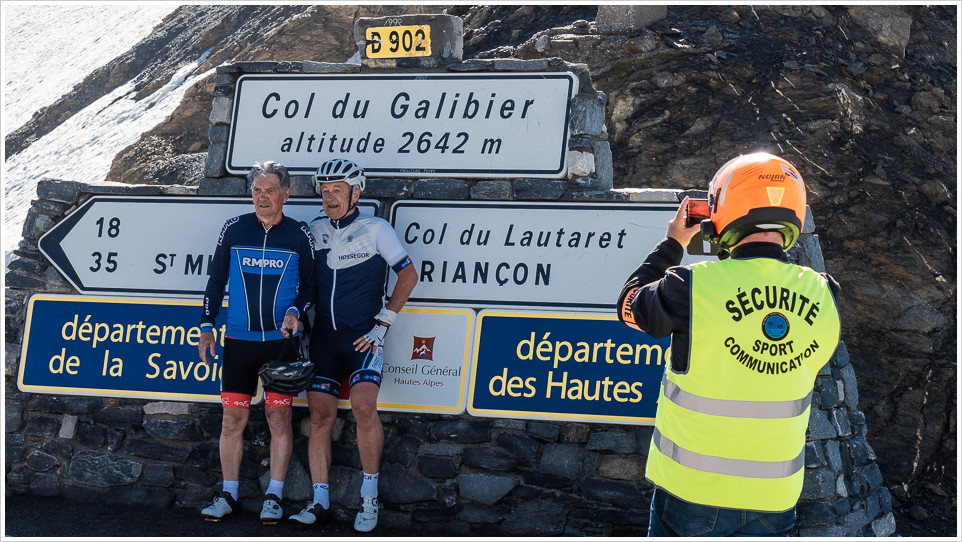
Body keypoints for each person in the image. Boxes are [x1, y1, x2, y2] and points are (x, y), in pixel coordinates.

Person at [617, 152, 841, 537]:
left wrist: (673, 242)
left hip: (690, 493)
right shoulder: (825, 294)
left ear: (723, 208)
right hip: (774, 499)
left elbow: (628, 306)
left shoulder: (691, 286)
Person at [290, 158, 418, 532]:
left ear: (356, 194)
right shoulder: (313, 230)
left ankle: (369, 497)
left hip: (364, 336)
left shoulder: (376, 228)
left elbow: (409, 275)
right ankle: (319, 501)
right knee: (319, 418)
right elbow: (303, 282)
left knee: (363, 409)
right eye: (325, 190)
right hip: (324, 339)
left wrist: (384, 322)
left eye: (338, 191)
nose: (329, 197)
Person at [198, 161, 316, 525]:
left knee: (278, 417)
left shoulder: (299, 234)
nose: (262, 197)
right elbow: (215, 280)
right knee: (232, 419)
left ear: (286, 194)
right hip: (238, 341)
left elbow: (311, 287)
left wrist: (296, 310)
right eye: (256, 190)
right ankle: (228, 494)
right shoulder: (235, 228)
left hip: (280, 343)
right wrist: (206, 326)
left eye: (270, 191)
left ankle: (274, 496)